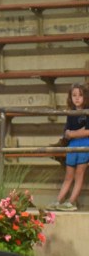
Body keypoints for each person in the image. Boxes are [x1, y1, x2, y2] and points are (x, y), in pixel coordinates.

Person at [46, 83, 88, 212]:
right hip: (72, 145)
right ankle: (59, 200)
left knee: (79, 173)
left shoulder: (87, 112)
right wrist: (74, 133)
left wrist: (73, 133)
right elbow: (66, 132)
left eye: (80, 95)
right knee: (69, 175)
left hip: (85, 144)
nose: (77, 98)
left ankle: (71, 201)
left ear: (85, 97)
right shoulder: (70, 113)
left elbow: (87, 131)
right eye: (74, 95)